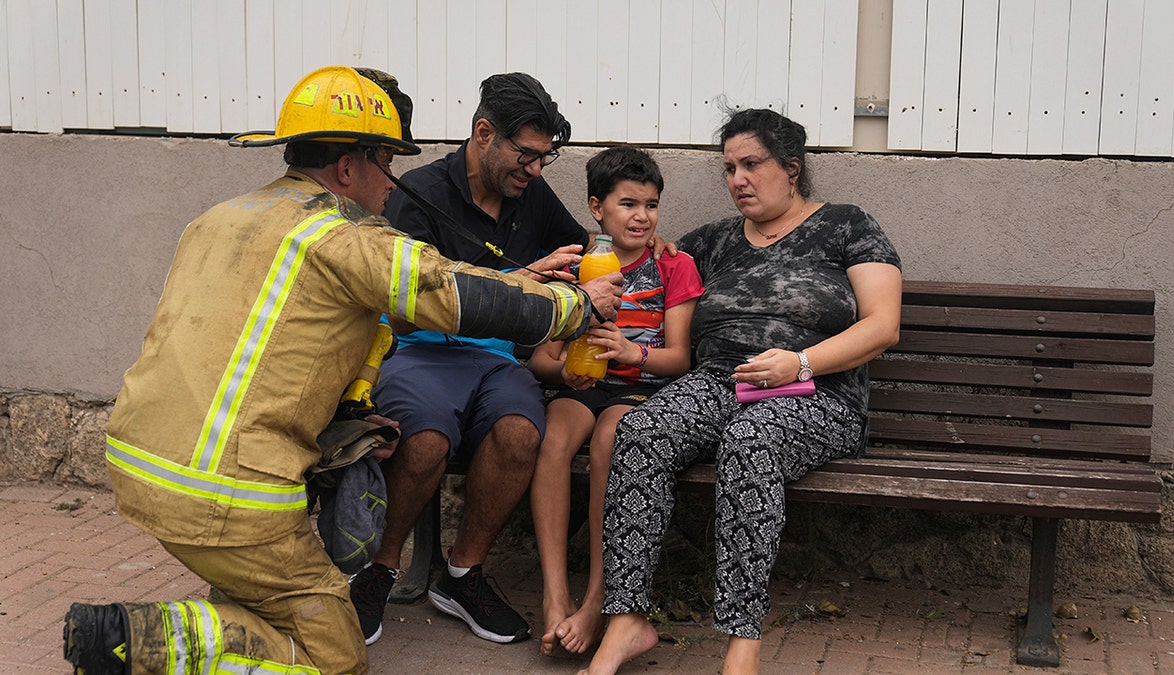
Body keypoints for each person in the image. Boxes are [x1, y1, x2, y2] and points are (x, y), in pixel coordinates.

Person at [60, 65, 621, 675]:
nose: (393, 181)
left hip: (141, 469)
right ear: (351, 167)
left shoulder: (221, 217)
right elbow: (449, 290)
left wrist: (352, 410)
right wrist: (574, 306)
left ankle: (159, 633)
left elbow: (271, 341)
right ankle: (136, 637)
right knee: (336, 654)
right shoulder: (344, 238)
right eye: (386, 161)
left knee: (262, 597)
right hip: (229, 494)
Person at [349, 73, 671, 646]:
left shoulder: (532, 196)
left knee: (522, 432)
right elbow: (398, 313)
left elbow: (592, 249)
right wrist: (514, 282)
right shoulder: (420, 192)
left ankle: (463, 573)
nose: (536, 171)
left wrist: (649, 246)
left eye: (545, 159)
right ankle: (381, 568)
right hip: (421, 353)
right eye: (526, 156)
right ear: (483, 134)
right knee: (425, 441)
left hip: (497, 361)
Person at [580, 108, 903, 675]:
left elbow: (883, 325)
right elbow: (638, 261)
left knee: (750, 440)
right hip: (719, 382)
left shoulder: (849, 226)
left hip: (815, 395)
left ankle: (742, 646)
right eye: (729, 168)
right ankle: (627, 619)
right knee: (642, 431)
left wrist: (800, 363)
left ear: (793, 168)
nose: (737, 180)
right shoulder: (714, 242)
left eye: (751, 165)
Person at [528, 146, 704, 656]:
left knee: (613, 440)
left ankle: (599, 597)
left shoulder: (673, 266)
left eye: (651, 205)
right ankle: (554, 594)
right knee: (554, 440)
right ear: (596, 207)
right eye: (628, 204)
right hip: (581, 384)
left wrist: (633, 352)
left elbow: (680, 359)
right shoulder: (576, 266)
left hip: (640, 388)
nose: (642, 216)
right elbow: (541, 359)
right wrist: (565, 370)